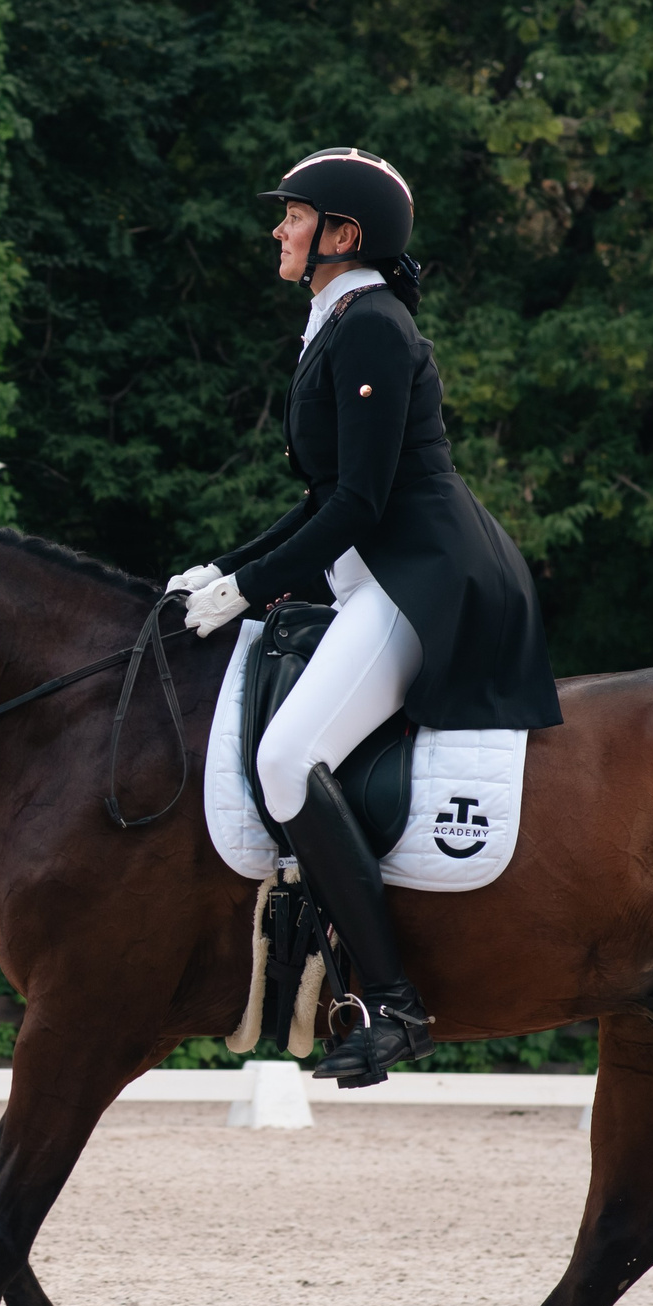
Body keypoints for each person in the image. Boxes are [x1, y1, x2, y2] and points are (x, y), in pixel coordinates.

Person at [167, 147, 562, 1085]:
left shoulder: (374, 326)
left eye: (295, 217)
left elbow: (361, 507)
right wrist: (224, 568)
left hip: (418, 577)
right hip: (375, 569)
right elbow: (324, 497)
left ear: (342, 237)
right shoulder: (337, 321)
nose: (279, 229)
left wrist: (248, 590)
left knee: (285, 759)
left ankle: (392, 1002)